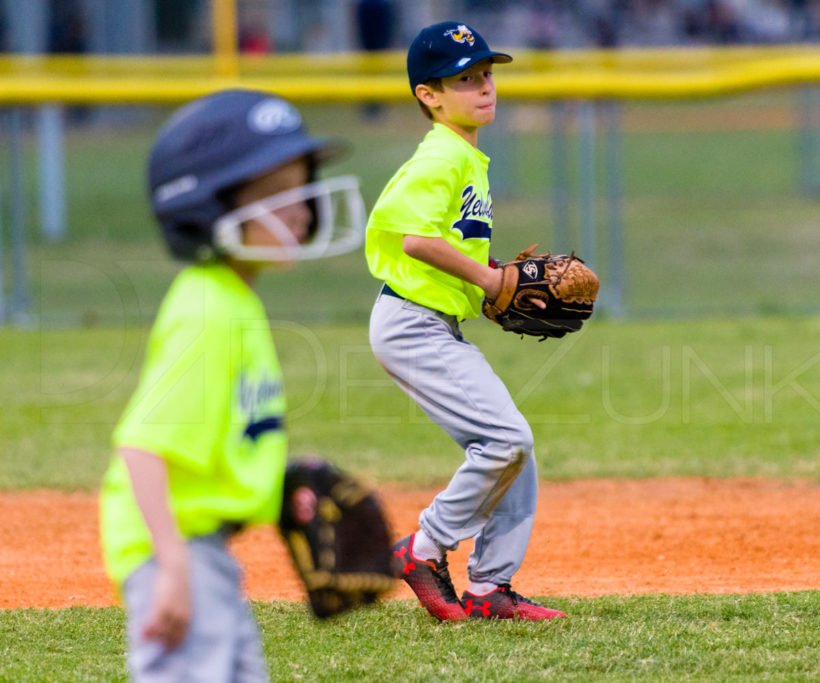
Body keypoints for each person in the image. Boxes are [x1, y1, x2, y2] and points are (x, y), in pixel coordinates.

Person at [99, 88, 363, 680]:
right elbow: (141, 448)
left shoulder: (231, 300)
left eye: (302, 185)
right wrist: (171, 568)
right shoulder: (207, 312)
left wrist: (277, 491)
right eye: (274, 193)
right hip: (177, 549)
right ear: (206, 209)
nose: (300, 208)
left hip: (202, 550)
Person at [365, 21, 566, 622]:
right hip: (409, 323)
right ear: (429, 94)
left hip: (433, 322)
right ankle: (422, 549)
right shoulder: (442, 155)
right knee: (506, 440)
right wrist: (488, 281)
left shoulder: (466, 156)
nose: (484, 88)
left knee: (512, 447)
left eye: (486, 74)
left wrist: (497, 275)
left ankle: (489, 588)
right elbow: (414, 240)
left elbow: (451, 245)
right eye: (464, 79)